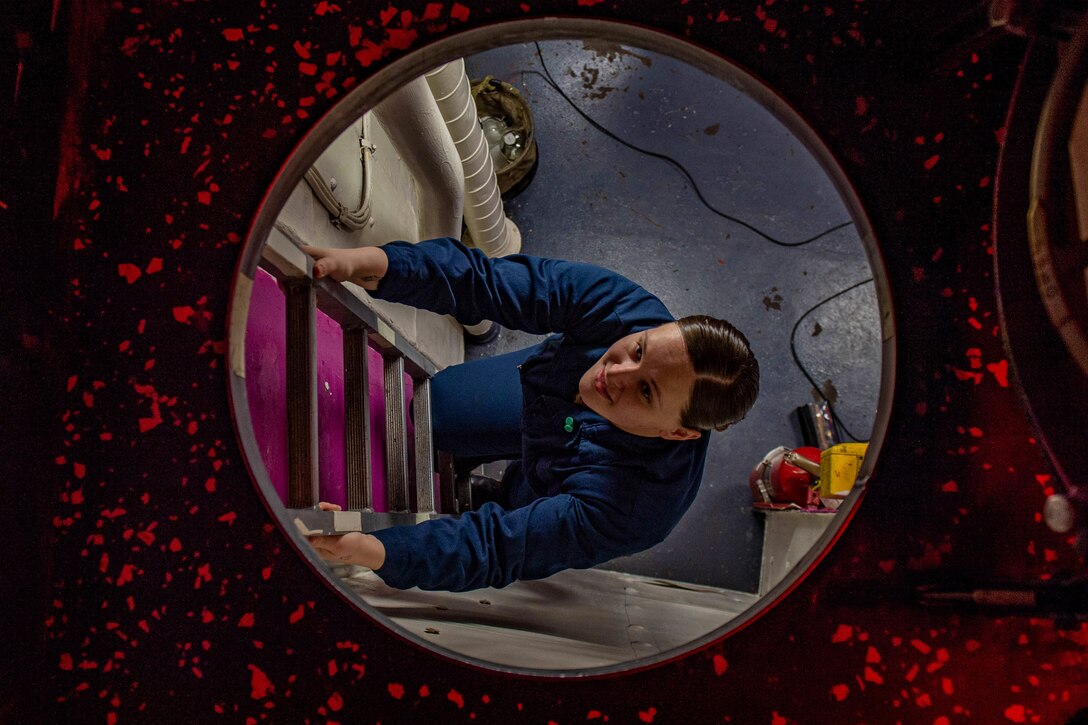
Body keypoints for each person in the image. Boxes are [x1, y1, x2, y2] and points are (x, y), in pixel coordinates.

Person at [302, 238, 759, 592]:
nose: (614, 371)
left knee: (523, 505)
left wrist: (374, 549)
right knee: (436, 408)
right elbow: (490, 282)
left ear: (677, 432)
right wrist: (380, 264)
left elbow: (500, 547)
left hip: (576, 474)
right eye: (639, 349)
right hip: (548, 399)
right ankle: (507, 472)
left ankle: (503, 492)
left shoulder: (634, 509)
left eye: (645, 390)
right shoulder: (626, 309)